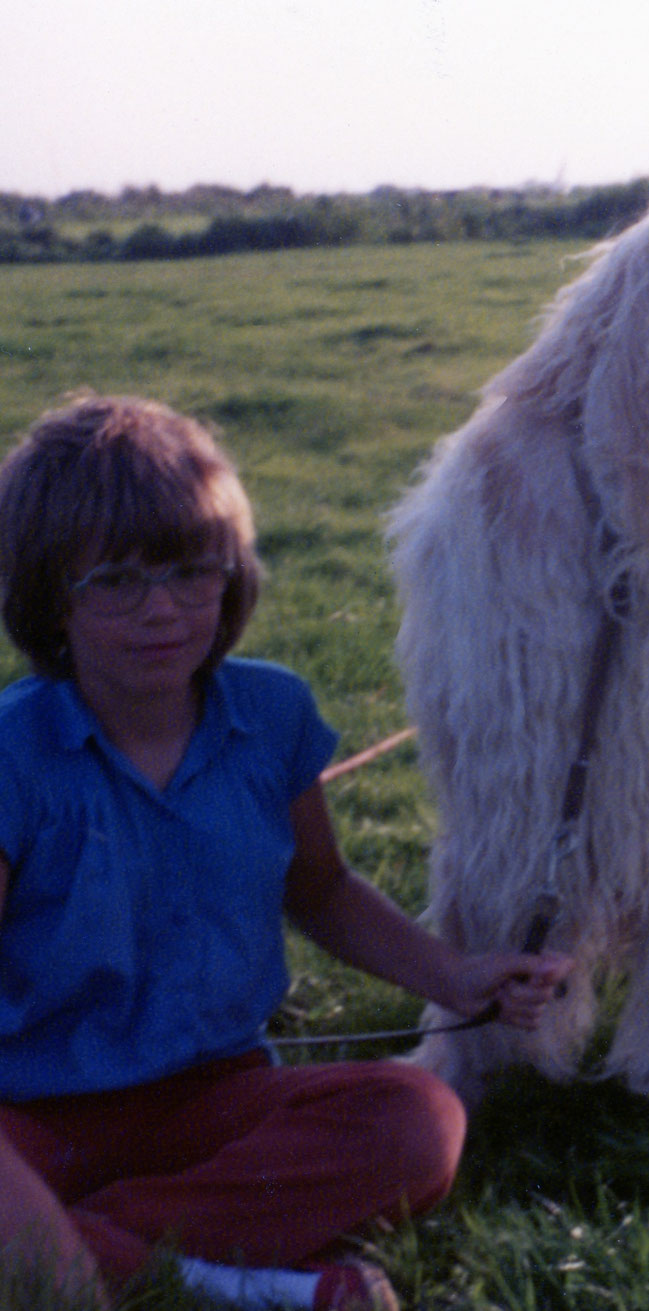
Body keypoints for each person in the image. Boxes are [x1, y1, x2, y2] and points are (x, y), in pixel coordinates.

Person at [0, 394, 574, 1311]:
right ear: (45, 596)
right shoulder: (12, 756)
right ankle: (223, 1279)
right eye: (114, 580)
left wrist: (454, 977)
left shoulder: (270, 716)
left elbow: (324, 889)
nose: (163, 610)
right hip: (29, 1116)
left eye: (194, 572)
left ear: (234, 576)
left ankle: (73, 1253)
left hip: (217, 1105)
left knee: (419, 1120)